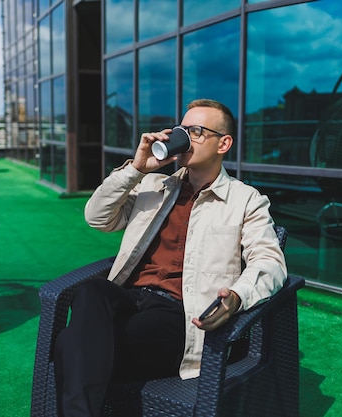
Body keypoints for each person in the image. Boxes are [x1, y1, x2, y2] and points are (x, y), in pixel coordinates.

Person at [53, 98, 287, 417]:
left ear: (224, 143)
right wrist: (136, 168)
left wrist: (236, 296)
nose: (185, 137)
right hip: (129, 298)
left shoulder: (246, 201)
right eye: (182, 129)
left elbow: (269, 262)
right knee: (92, 291)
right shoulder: (153, 184)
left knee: (70, 345)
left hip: (178, 314)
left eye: (195, 131)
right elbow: (97, 217)